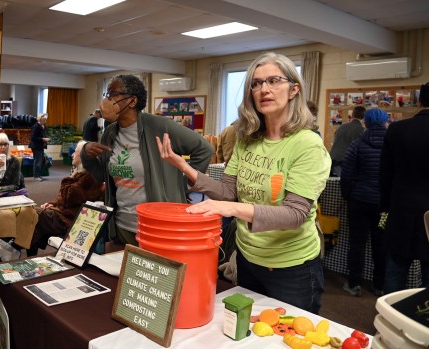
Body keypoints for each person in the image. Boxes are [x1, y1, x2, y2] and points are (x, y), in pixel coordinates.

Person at [156, 52, 330, 314]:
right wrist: (184, 167)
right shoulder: (247, 139)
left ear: (294, 89)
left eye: (273, 81)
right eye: (256, 83)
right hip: (248, 258)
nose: (264, 89)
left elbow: (295, 214)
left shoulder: (306, 144)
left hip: (291, 267)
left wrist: (232, 209)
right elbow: (228, 192)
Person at [81, 74, 213, 246]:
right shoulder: (110, 133)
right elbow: (102, 176)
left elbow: (204, 149)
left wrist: (181, 185)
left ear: (132, 101)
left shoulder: (160, 126)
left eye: (113, 94)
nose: (107, 100)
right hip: (122, 226)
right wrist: (86, 154)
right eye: (107, 94)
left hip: (157, 227)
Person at [380, 80, 429, 293]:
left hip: (401, 210)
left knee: (394, 275)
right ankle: (423, 324)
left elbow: (385, 174)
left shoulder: (397, 129)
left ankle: (388, 322)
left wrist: (385, 207)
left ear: (419, 100)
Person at [340, 108, 388, 297]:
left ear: (365, 123)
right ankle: (379, 285)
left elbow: (347, 174)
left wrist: (347, 196)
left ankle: (353, 283)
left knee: (357, 243)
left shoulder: (358, 144)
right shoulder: (392, 144)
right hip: (383, 205)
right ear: (385, 122)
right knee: (381, 243)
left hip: (359, 201)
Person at [27, 140, 105, 256]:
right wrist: (53, 203)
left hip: (69, 219)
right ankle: (26, 251)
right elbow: (65, 199)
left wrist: (70, 177)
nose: (72, 154)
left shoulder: (89, 177)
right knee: (35, 216)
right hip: (65, 214)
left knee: (34, 215)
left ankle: (20, 248)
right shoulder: (84, 174)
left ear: (83, 157)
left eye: (75, 152)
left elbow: (69, 196)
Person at [329, 105, 365, 176]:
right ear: (364, 117)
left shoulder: (341, 128)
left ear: (352, 115)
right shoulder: (363, 131)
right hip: (349, 166)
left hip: (333, 164)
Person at [29, 114, 50, 181]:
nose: (45, 121)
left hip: (40, 146)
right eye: (44, 120)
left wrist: (44, 138)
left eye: (45, 120)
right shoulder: (35, 126)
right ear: (40, 120)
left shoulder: (42, 126)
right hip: (36, 146)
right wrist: (43, 139)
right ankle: (35, 176)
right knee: (37, 161)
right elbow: (33, 138)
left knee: (40, 161)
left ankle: (38, 175)